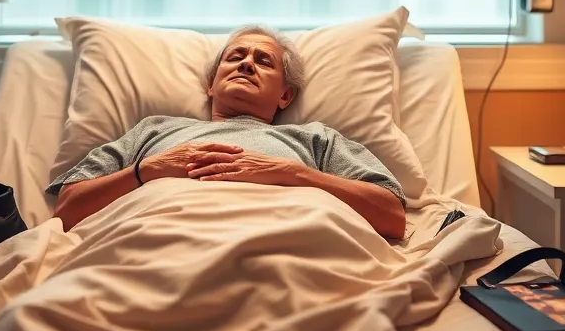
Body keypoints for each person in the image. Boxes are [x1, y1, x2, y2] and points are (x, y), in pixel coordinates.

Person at [48, 26, 406, 240]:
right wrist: (147, 171)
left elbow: (392, 216)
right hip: (156, 239)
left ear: (286, 95)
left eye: (263, 61)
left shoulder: (314, 138)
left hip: (284, 243)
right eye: (235, 57)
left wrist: (291, 174)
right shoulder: (154, 129)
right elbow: (66, 209)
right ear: (210, 85)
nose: (246, 63)